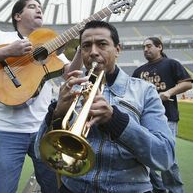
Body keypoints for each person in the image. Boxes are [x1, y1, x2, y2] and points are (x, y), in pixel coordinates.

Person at [35, 20, 175, 193]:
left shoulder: (145, 90)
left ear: (117, 50)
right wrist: (56, 115)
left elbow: (165, 157)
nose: (93, 52)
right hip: (74, 187)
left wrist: (116, 121)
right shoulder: (70, 89)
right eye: (86, 46)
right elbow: (40, 152)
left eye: (102, 44)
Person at [0, 0, 82, 193]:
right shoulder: (1, 36)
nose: (39, 10)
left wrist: (79, 49)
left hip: (43, 130)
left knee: (55, 187)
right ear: (17, 15)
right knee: (3, 189)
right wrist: (8, 51)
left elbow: (71, 74)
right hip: (6, 131)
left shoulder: (48, 43)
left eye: (41, 8)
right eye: (32, 7)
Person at [132, 37, 193, 193]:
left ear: (159, 47)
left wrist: (169, 92)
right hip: (143, 119)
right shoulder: (139, 71)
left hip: (168, 117)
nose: (145, 49)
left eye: (149, 46)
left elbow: (187, 83)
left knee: (167, 160)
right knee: (143, 156)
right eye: (144, 47)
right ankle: (159, 189)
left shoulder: (171, 64)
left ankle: (175, 190)